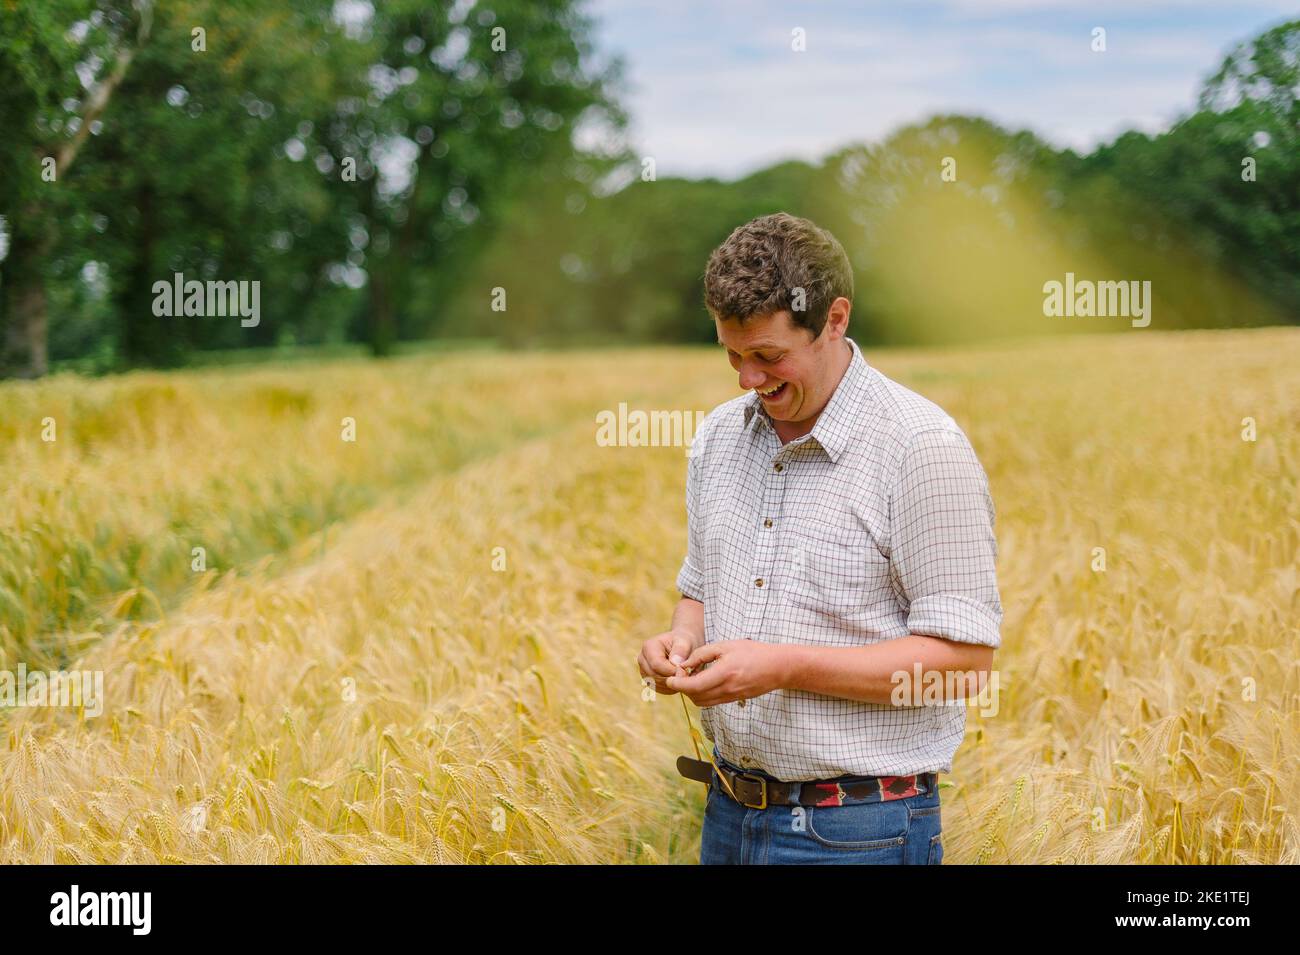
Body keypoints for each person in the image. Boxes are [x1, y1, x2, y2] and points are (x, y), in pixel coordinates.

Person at [636, 212, 1003, 864]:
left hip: (859, 830)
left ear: (835, 318)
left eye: (768, 356)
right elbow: (697, 589)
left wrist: (783, 665)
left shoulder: (921, 449)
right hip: (726, 813)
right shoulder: (719, 437)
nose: (748, 378)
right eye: (732, 354)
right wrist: (681, 640)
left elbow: (964, 668)